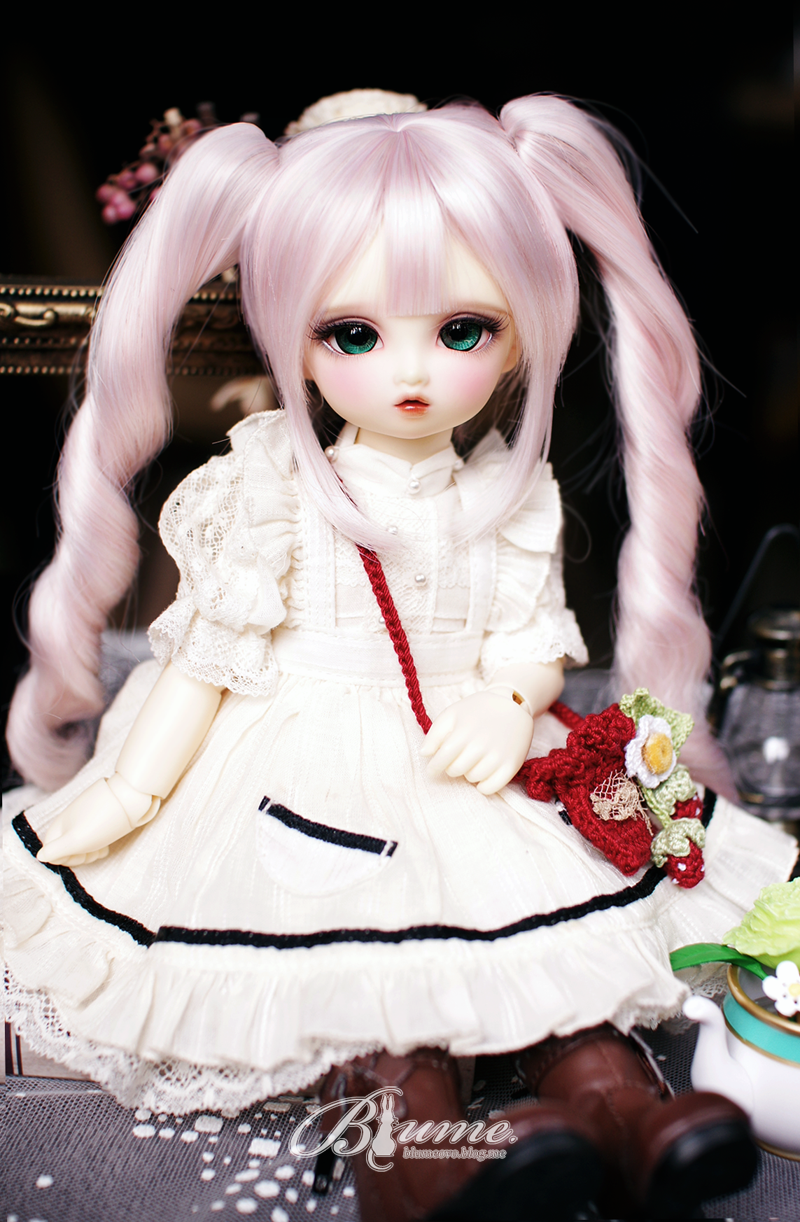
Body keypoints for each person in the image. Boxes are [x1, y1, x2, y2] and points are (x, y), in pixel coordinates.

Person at [5, 93, 796, 1219]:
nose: (410, 371)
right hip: (297, 757)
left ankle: (625, 1112)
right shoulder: (267, 485)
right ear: (293, 336)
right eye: (353, 334)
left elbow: (531, 636)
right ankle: (417, 1159)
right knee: (370, 984)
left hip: (475, 747)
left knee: (549, 959)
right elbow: (205, 659)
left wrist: (511, 698)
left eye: (464, 330)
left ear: (522, 332)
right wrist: (130, 790)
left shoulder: (509, 492)